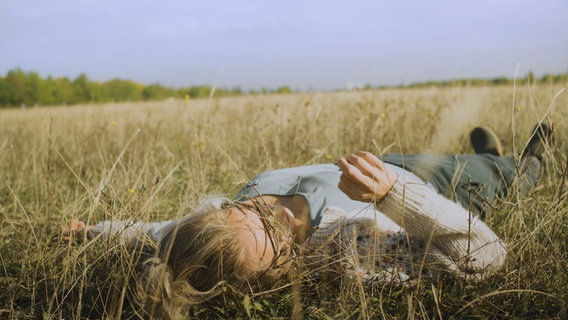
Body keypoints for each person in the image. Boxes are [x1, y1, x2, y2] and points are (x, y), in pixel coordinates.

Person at [64, 123, 553, 319]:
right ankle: (533, 162)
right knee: (497, 176)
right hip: (435, 196)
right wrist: (391, 195)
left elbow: (149, 231)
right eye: (277, 237)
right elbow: (486, 256)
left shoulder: (220, 221)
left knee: (455, 157)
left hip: (386, 164)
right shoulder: (349, 249)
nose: (277, 211)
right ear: (275, 277)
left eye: (251, 209)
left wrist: (90, 233)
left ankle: (490, 157)